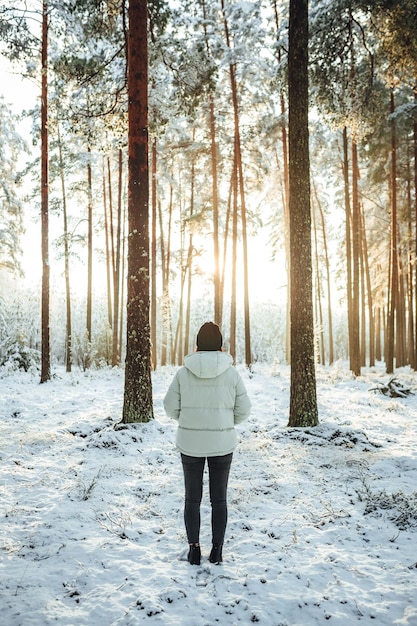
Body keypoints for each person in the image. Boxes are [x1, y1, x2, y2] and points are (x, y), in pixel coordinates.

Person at [163, 321, 251, 566]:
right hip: (222, 444)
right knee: (219, 499)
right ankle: (217, 551)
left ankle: (193, 550)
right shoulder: (231, 373)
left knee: (192, 499)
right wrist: (224, 422)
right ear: (220, 346)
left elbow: (169, 407)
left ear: (198, 345)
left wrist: (189, 420)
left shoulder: (183, 373)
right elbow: (244, 409)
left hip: (190, 443)